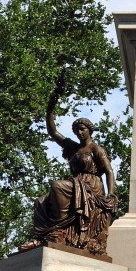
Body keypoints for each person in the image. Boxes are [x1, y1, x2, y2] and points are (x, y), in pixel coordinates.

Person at [20, 75, 117, 256]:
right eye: (77, 130)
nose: (79, 132)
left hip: (91, 186)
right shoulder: (72, 147)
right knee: (41, 201)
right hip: (76, 185)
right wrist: (53, 100)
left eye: (83, 129)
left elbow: (109, 172)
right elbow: (52, 131)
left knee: (57, 185)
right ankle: (45, 235)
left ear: (89, 130)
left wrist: (111, 195)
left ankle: (57, 229)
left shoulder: (96, 149)